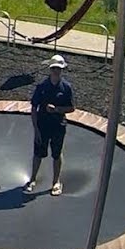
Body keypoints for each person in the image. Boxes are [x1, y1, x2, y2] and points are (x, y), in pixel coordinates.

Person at [26, 54, 76, 196]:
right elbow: (34, 108)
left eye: (58, 69)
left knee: (57, 154)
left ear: (62, 70)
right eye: (54, 68)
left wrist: (57, 109)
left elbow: (71, 108)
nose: (56, 71)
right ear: (50, 69)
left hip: (58, 125)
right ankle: (32, 179)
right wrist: (36, 129)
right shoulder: (42, 87)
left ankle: (56, 181)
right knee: (38, 153)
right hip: (43, 125)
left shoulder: (66, 87)